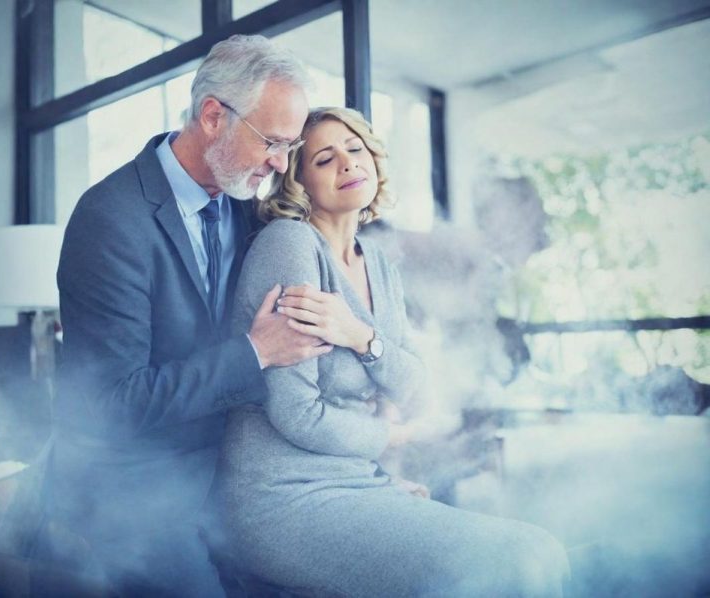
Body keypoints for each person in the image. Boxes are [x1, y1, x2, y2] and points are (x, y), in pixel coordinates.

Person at [216, 107, 571, 597]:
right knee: (516, 563)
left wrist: (360, 336)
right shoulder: (290, 244)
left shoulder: (379, 263)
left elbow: (416, 386)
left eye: (355, 149)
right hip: (283, 498)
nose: (346, 162)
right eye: (324, 159)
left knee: (544, 550)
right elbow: (296, 413)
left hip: (354, 481)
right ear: (299, 184)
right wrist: (394, 436)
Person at [46, 35, 341, 596]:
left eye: (291, 146)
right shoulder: (110, 219)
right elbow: (111, 405)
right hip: (132, 491)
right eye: (273, 143)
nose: (282, 165)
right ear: (212, 116)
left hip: (231, 475)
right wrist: (256, 353)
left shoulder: (248, 204)